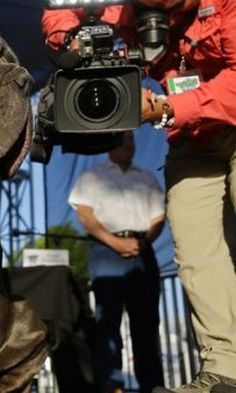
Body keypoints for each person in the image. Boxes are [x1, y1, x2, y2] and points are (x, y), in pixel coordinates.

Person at [43, 0, 236, 391]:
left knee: (146, 325)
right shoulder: (129, 11)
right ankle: (225, 372)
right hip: (192, 141)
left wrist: (169, 107)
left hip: (214, 120)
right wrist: (71, 40)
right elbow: (62, 8)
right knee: (196, 249)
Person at [68, 131, 165, 393]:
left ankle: (153, 384)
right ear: (110, 143)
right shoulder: (93, 176)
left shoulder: (146, 178)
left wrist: (143, 242)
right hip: (106, 252)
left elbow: (159, 216)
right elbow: (85, 215)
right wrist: (113, 241)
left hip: (142, 250)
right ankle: (111, 386)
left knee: (147, 323)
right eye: (122, 138)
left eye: (132, 138)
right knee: (107, 322)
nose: (128, 143)